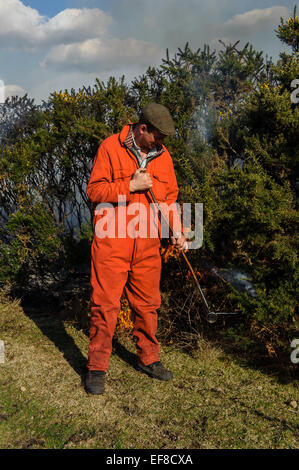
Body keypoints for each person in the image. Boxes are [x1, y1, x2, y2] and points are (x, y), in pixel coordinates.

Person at [84, 102, 187, 395]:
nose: (162, 143)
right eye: (158, 137)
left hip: (147, 243)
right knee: (105, 306)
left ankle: (148, 359)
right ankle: (96, 367)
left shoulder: (163, 157)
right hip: (111, 241)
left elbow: (169, 199)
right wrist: (128, 186)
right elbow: (94, 190)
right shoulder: (110, 147)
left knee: (148, 305)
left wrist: (176, 230)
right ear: (143, 129)